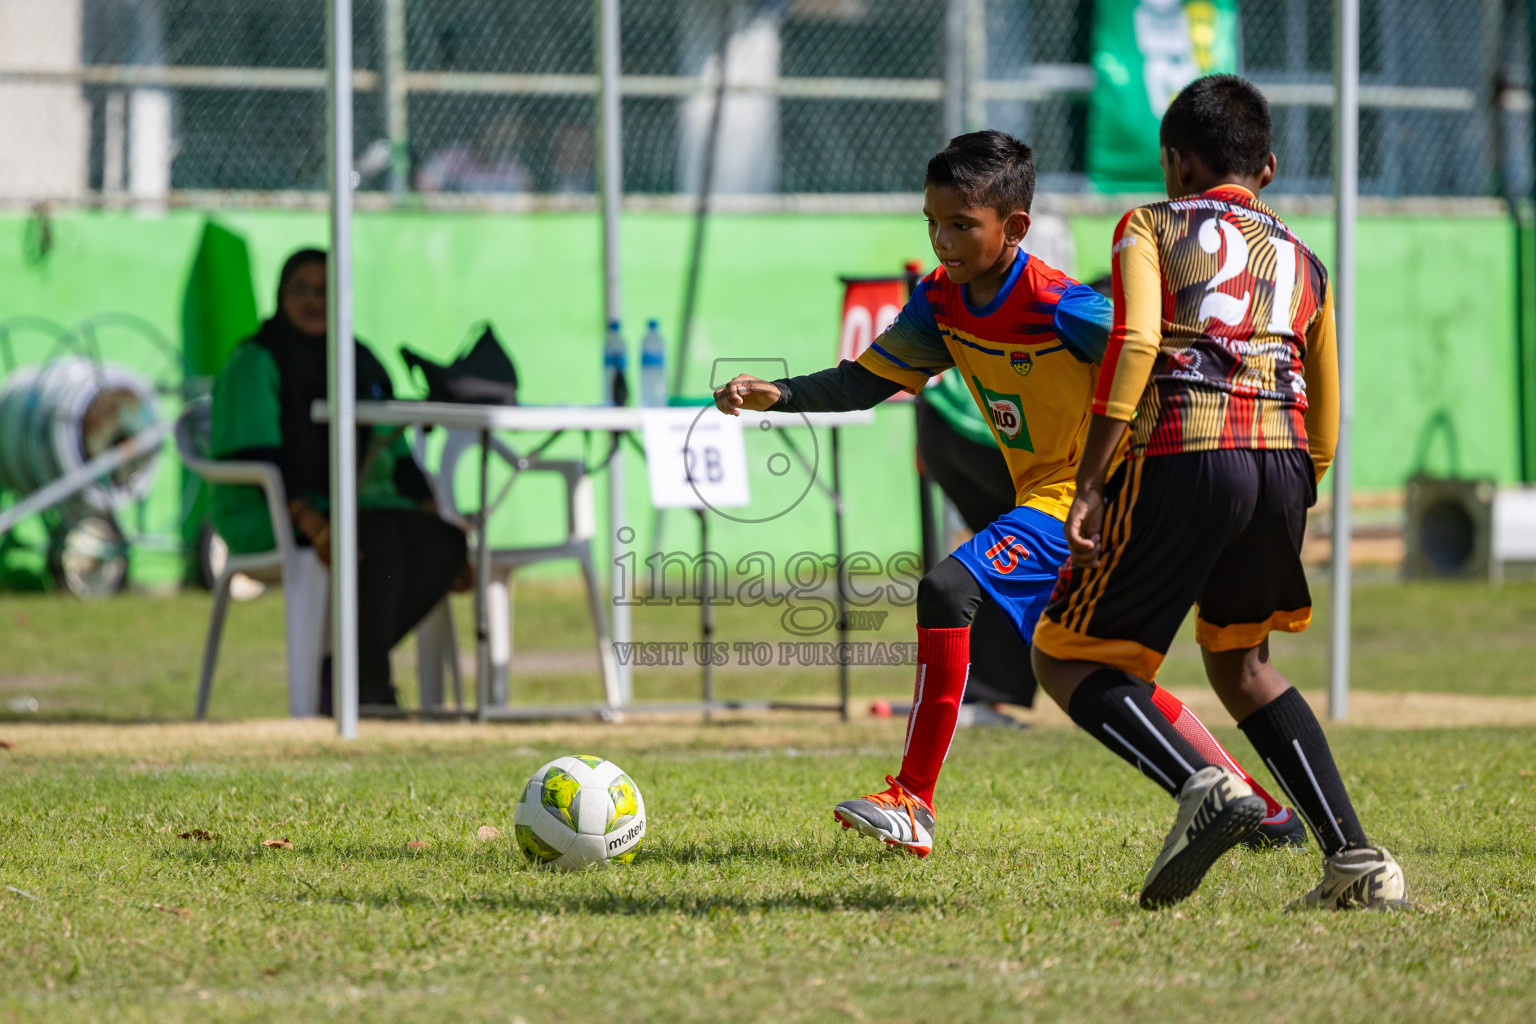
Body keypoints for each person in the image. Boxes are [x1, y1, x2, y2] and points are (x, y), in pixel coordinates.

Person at [713, 130, 1302, 859]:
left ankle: (912, 800)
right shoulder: (939, 303)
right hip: (1062, 501)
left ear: (1014, 228)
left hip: (1093, 500)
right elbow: (866, 382)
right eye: (932, 221)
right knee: (1103, 672)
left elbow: (1149, 355)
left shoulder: (1059, 305)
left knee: (947, 586)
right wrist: (779, 395)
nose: (943, 240)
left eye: (961, 225)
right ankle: (1263, 811)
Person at [1032, 75, 1405, 909]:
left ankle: (1205, 786)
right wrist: (1296, 486)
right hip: (1283, 462)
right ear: (1267, 166)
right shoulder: (1305, 259)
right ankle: (1356, 861)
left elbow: (1133, 343)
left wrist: (1092, 480)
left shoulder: (1151, 224)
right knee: (1242, 663)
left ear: (1175, 163)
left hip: (1187, 446)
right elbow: (1329, 411)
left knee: (1066, 654)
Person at [208, 249, 470, 711]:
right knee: (375, 542)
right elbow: (259, 458)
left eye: (326, 291)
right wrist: (315, 524)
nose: (315, 301)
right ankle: (365, 691)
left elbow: (399, 453)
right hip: (268, 510)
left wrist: (439, 517)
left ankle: (344, 672)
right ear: (281, 296)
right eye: (303, 290)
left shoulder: (359, 359)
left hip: (352, 507)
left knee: (442, 544)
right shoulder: (257, 360)